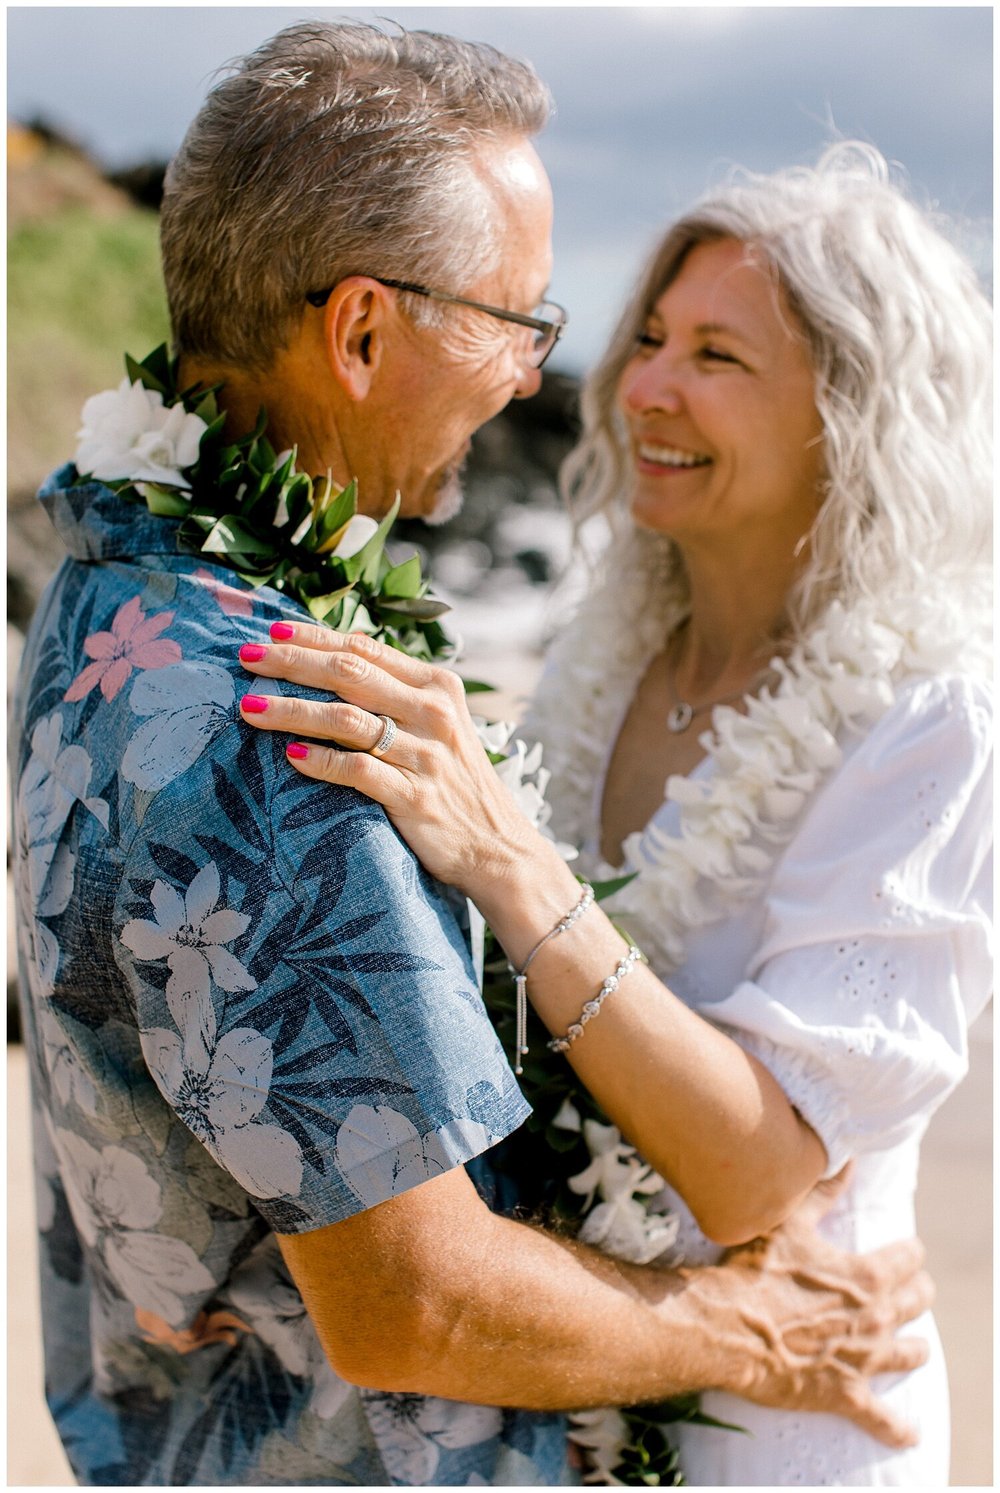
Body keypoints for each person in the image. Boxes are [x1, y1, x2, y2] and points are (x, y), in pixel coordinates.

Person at [11, 18, 932, 1483]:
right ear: (362, 331)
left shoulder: (105, 579)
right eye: (521, 319)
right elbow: (420, 1300)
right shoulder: (287, 724)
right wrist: (757, 1331)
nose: (534, 377)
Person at [237, 143, 992, 1486]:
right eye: (647, 336)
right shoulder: (609, 645)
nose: (644, 386)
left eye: (719, 355)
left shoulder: (931, 722)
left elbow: (754, 1172)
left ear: (856, 412)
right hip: (566, 1384)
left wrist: (512, 860)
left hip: (791, 1418)